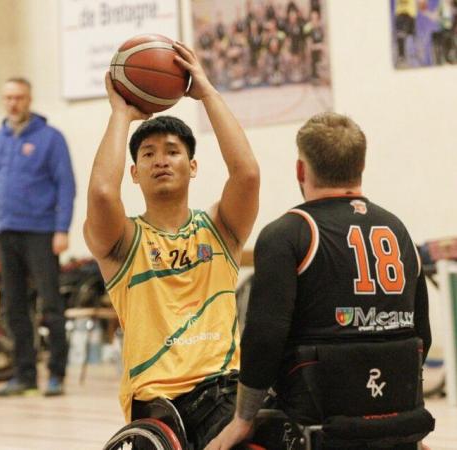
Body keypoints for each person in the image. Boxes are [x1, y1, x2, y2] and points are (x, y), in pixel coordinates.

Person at [207, 113, 433, 450]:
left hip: (316, 419)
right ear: (361, 166)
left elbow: (264, 338)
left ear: (301, 170)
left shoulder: (286, 233)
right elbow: (422, 335)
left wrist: (242, 419)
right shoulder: (400, 232)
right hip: (400, 415)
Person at [85, 41, 259, 449]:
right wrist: (121, 115)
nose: (160, 160)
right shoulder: (124, 241)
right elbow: (102, 195)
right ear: (135, 173)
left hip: (226, 391)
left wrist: (208, 94)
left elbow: (247, 174)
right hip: (163, 404)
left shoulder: (220, 230)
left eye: (172, 152)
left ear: (192, 166)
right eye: (148, 154)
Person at [0, 77, 76, 397]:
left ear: (30, 98)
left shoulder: (51, 138)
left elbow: (66, 185)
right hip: (6, 231)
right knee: (14, 306)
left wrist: (62, 228)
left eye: (19, 97)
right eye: (8, 97)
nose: (13, 103)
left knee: (50, 304)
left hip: (41, 231)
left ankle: (56, 374)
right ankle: (25, 375)